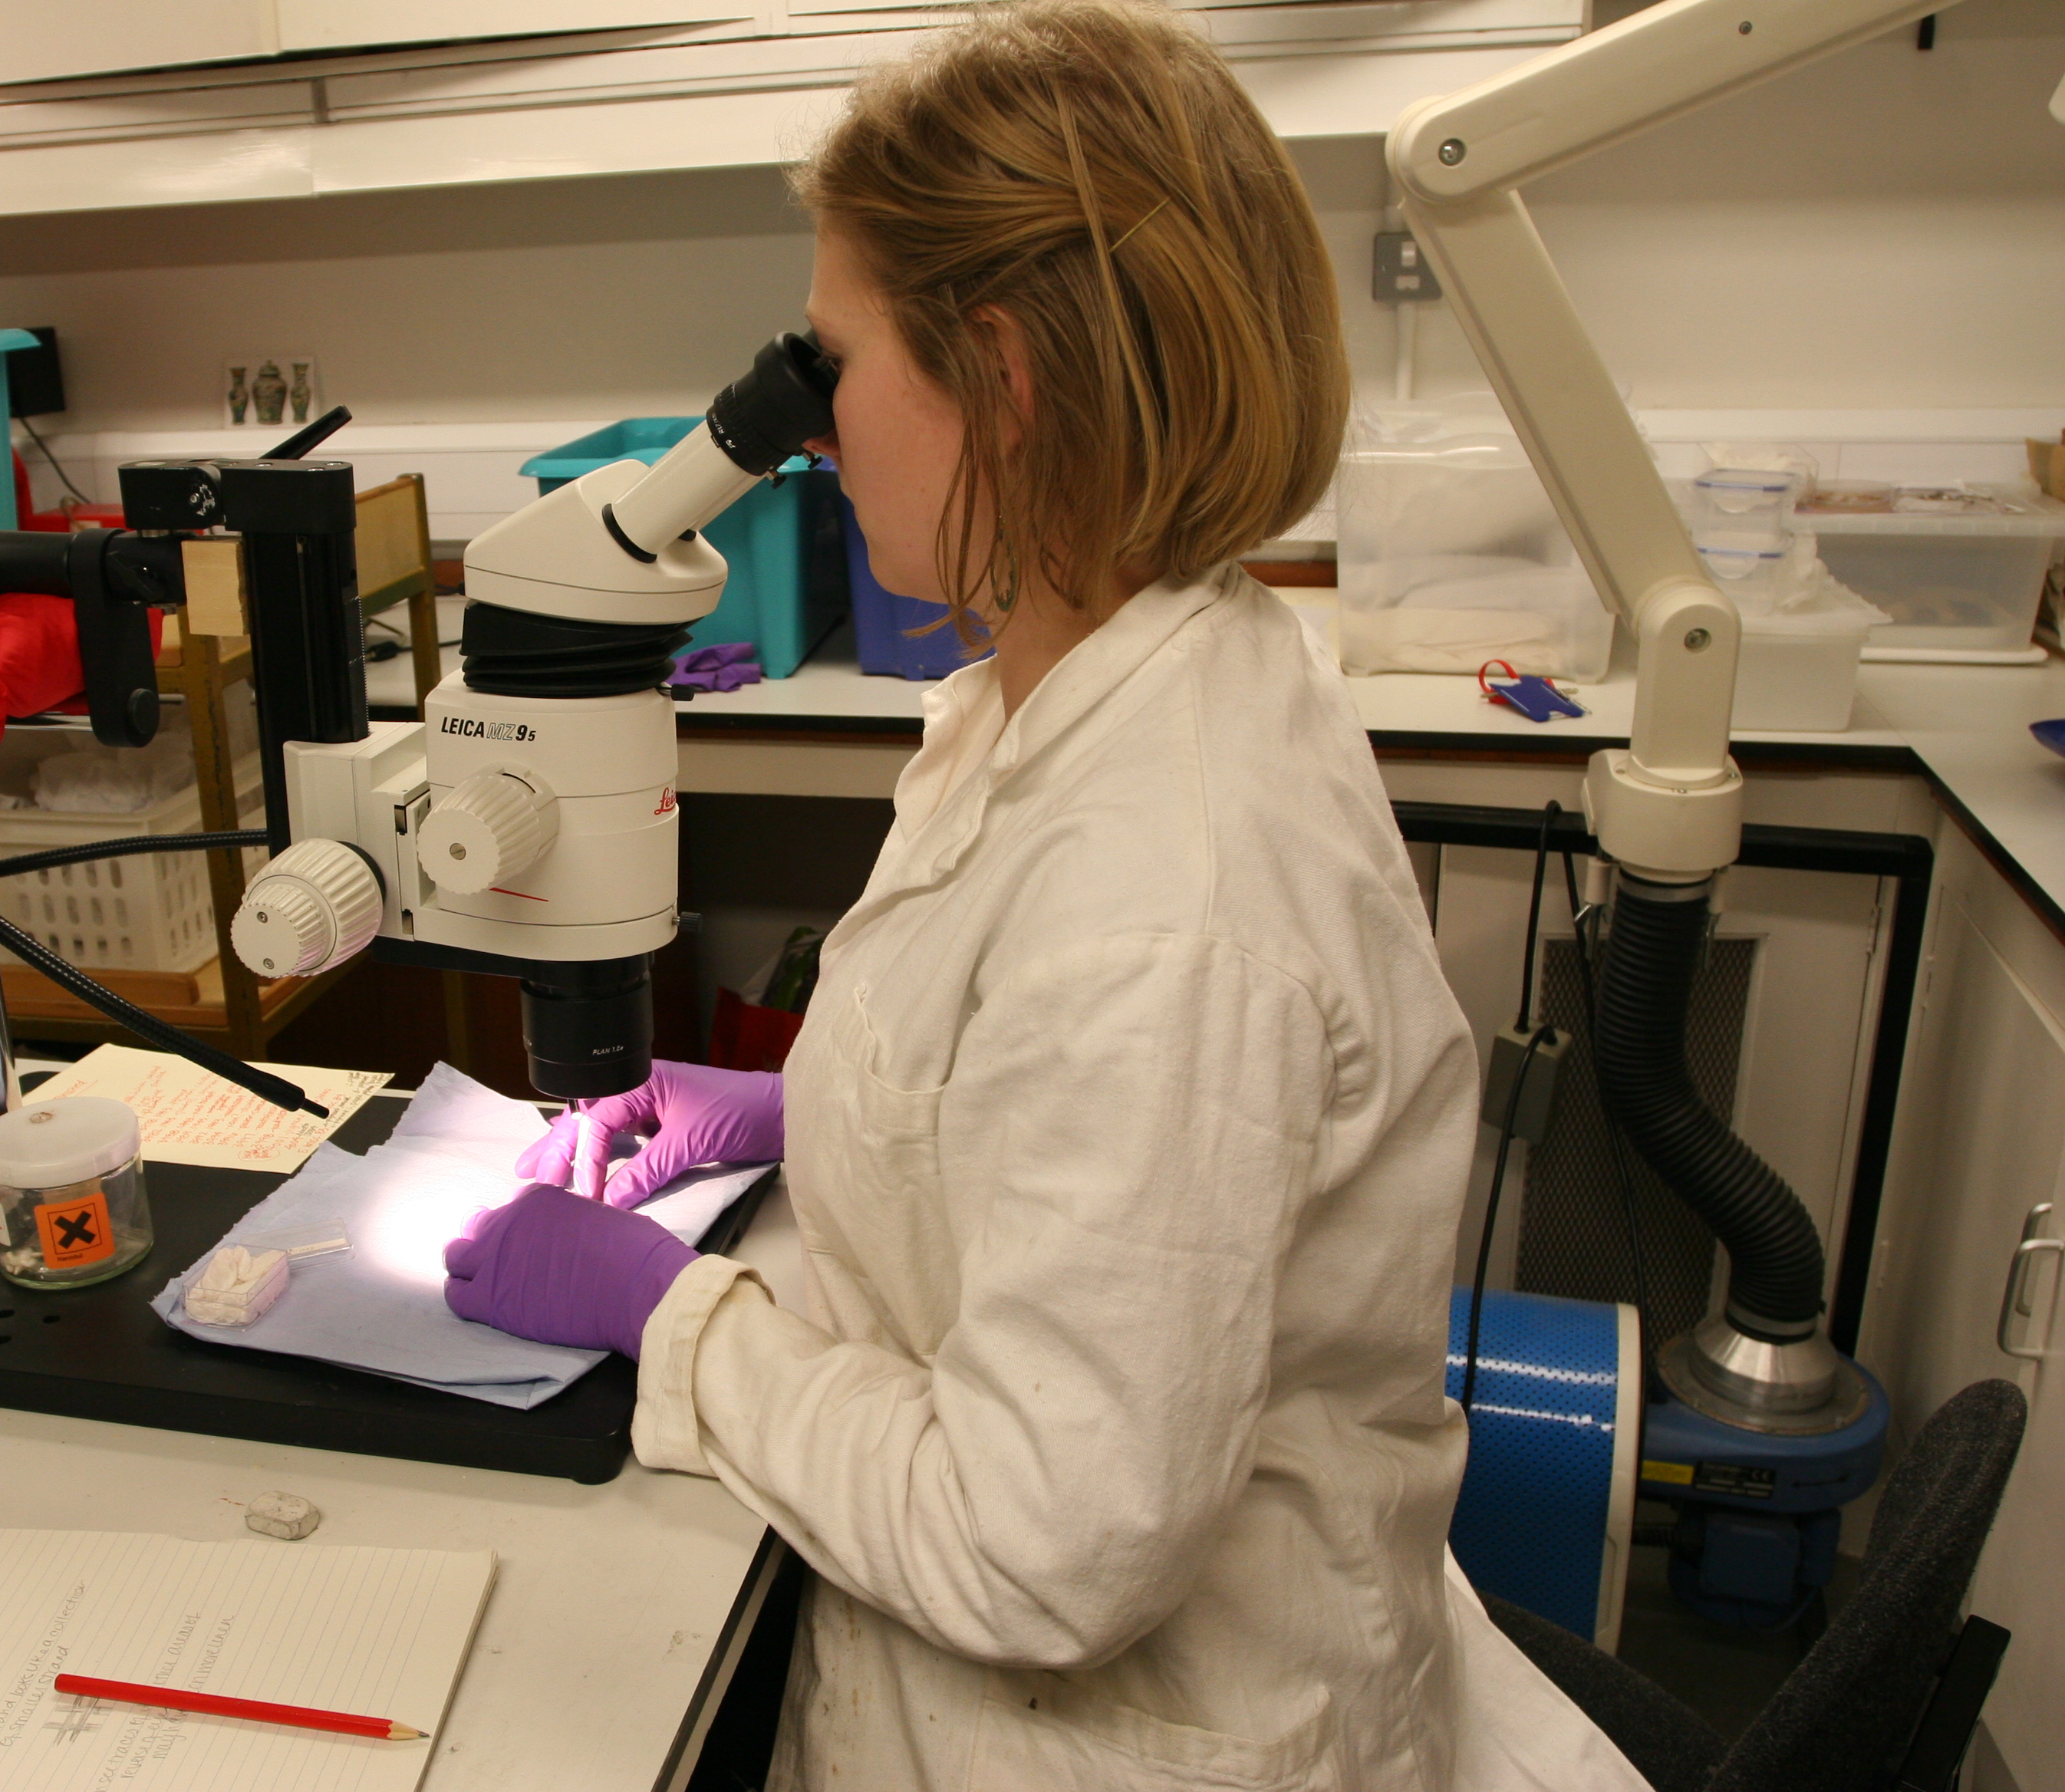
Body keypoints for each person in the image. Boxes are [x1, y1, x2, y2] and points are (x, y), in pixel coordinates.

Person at [443, 5, 1654, 1787]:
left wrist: (664, 1311)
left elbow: (1038, 1543)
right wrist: (806, 1111)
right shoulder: (1114, 676)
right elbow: (1065, 1123)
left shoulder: (1166, 888)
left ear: (1002, 376)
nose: (810, 430)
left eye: (831, 364)